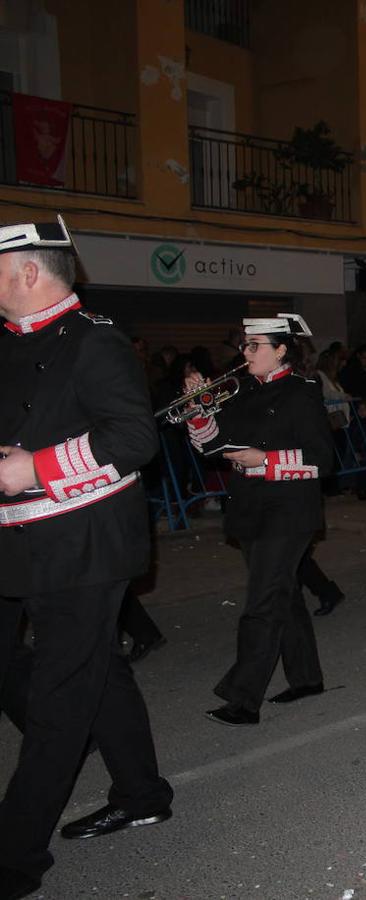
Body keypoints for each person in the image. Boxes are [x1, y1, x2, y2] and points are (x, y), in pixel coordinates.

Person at [0, 217, 173, 900]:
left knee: (58, 696)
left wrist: (35, 468)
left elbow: (134, 438)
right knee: (90, 672)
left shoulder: (94, 341)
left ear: (27, 271)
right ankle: (142, 791)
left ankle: (15, 856)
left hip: (84, 546)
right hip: (17, 543)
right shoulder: (8, 342)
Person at [184, 314, 334, 725]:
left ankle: (243, 699)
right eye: (245, 345)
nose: (244, 353)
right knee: (281, 594)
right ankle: (305, 678)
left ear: (281, 350)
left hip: (288, 509)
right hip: (250, 503)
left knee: (262, 603)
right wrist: (198, 409)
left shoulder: (302, 392)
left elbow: (323, 460)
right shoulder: (241, 390)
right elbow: (210, 445)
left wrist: (265, 461)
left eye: (255, 346)